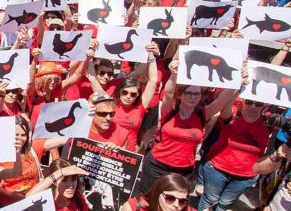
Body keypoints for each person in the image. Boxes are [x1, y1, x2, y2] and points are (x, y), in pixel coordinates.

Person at [135, 59, 238, 196]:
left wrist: (236, 81)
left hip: (184, 170)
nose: (192, 97)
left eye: (196, 94)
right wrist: (173, 75)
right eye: (188, 93)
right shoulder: (170, 111)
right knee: (147, 197)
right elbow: (169, 93)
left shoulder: (203, 114)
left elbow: (221, 102)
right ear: (180, 95)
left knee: (174, 203)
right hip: (157, 165)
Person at [198, 98, 291, 210]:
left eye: (258, 103)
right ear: (242, 101)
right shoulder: (232, 115)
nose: (252, 106)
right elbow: (224, 102)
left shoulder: (268, 123)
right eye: (249, 102)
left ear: (264, 105)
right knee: (209, 199)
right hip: (217, 169)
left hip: (245, 176)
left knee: (224, 203)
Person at [25, 159, 90, 211]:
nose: (71, 185)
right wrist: (59, 173)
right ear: (54, 182)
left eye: (73, 180)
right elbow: (27, 199)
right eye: (64, 180)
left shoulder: (79, 202)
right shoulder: (46, 202)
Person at [121, 173, 193, 211]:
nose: (177, 205)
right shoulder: (133, 208)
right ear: (157, 193)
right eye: (170, 198)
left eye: (182, 201)